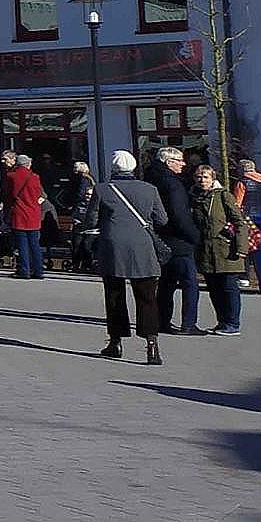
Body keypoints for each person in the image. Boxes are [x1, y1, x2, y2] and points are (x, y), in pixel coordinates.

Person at [94, 149, 169, 365]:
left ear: (113, 167)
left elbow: (91, 220)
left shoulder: (102, 189)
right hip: (143, 248)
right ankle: (152, 345)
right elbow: (162, 220)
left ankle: (115, 342)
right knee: (147, 297)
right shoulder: (149, 189)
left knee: (114, 296)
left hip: (113, 248)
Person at [144, 147, 203, 336]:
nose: (183, 164)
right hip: (179, 240)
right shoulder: (173, 184)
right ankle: (188, 323)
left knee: (166, 283)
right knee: (189, 282)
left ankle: (162, 320)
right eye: (179, 160)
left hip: (160, 238)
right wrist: (194, 236)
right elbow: (179, 215)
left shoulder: (150, 178)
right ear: (169, 162)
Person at [196, 159, 249, 336]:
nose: (201, 180)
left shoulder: (223, 195)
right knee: (213, 288)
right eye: (198, 177)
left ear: (212, 179)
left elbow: (239, 222)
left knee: (228, 287)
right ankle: (222, 321)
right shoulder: (195, 197)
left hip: (226, 249)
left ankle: (233, 323)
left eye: (205, 177)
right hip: (206, 251)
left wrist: (242, 248)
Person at [3, 154, 48, 279]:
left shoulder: (11, 176)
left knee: (22, 244)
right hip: (33, 213)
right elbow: (40, 194)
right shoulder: (35, 177)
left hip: (19, 212)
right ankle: (38, 271)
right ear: (28, 164)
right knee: (35, 244)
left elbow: (7, 195)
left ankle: (24, 270)